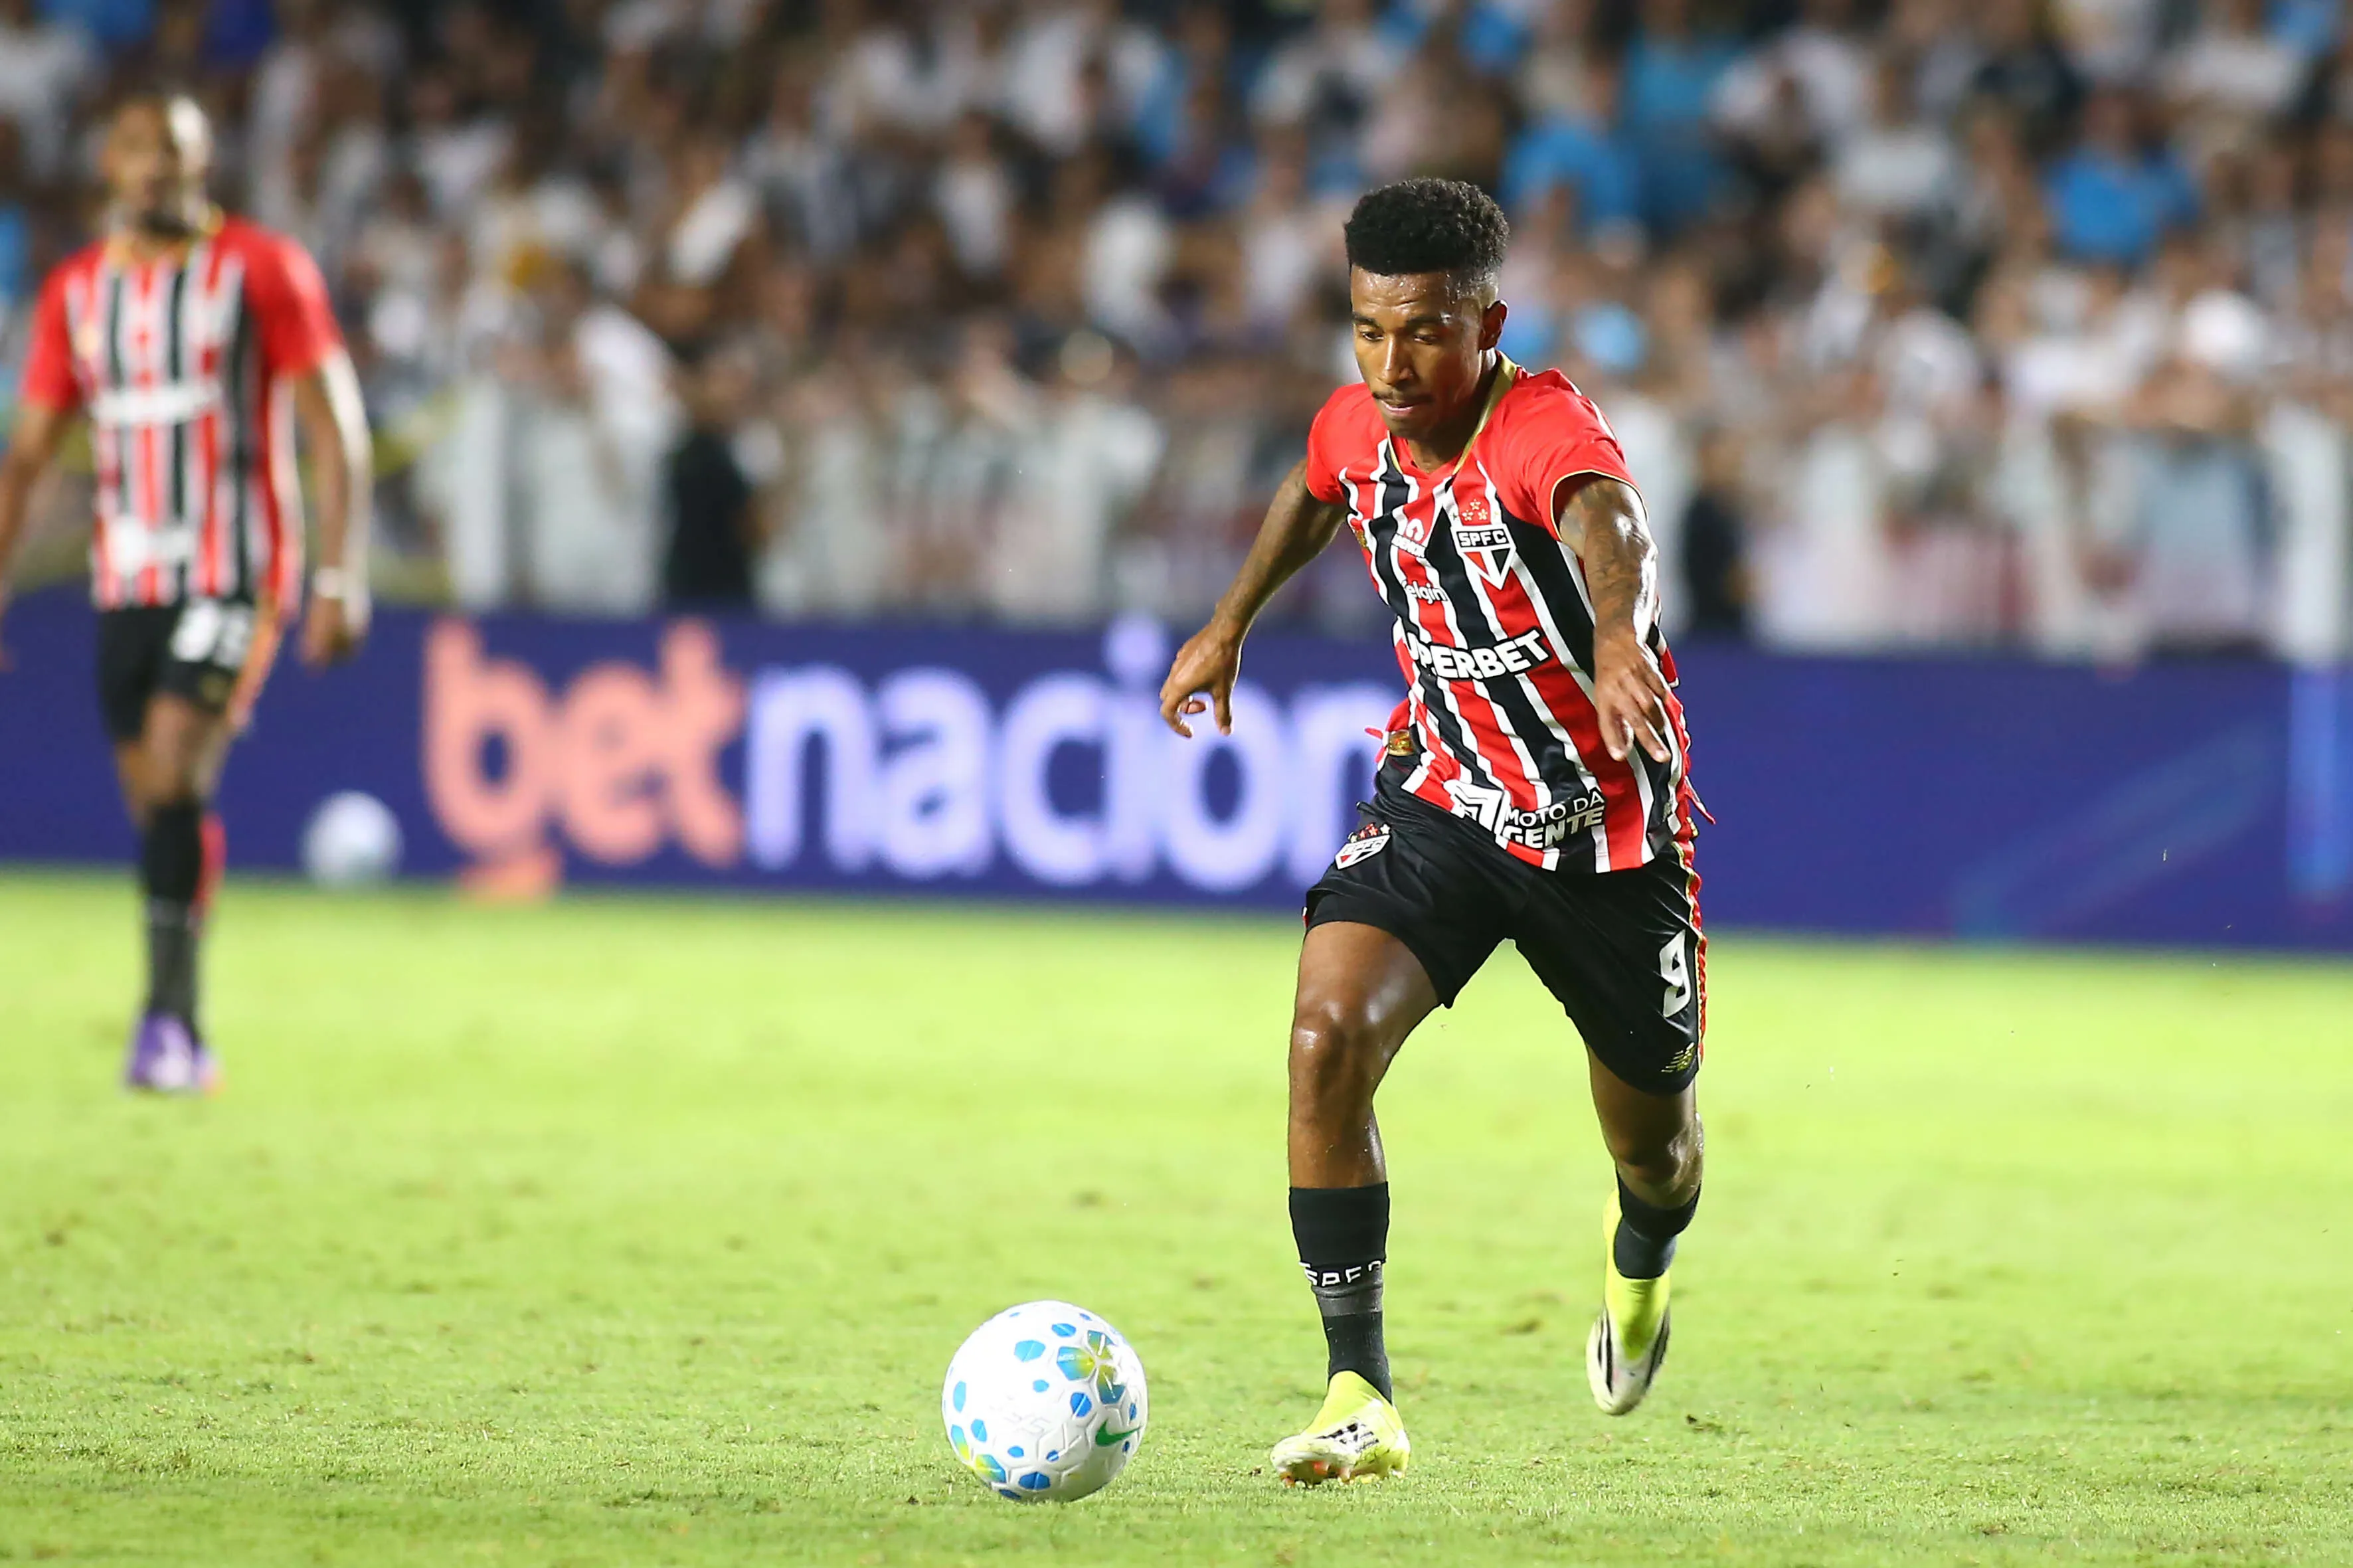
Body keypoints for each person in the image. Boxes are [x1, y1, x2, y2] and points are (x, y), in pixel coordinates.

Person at [1159, 179, 1705, 1485]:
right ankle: (1358, 1391)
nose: (1391, 365)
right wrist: (1229, 622)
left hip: (1599, 841)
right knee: (1322, 1038)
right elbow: (1314, 487)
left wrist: (1616, 633)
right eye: (1367, 330)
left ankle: (1640, 1269)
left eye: (1423, 333)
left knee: (1656, 1154)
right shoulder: (1357, 422)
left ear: (1487, 324)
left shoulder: (1538, 427)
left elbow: (1606, 520)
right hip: (1443, 799)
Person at [0, 92, 373, 1093]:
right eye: (136, 147)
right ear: (109, 165)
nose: (155, 165)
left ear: (205, 162)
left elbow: (333, 425)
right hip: (127, 577)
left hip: (235, 570)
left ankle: (164, 1025)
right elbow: (27, 455)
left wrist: (340, 573)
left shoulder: (261, 268)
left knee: (173, 764)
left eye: (174, 148)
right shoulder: (79, 293)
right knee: (156, 805)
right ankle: (185, 1024)